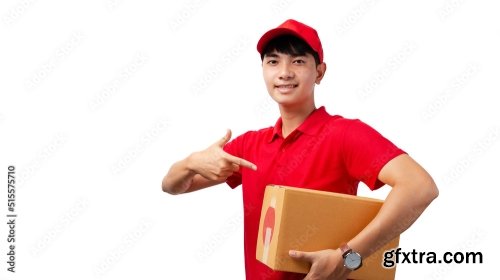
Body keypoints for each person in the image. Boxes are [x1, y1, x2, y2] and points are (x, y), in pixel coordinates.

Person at [162, 19, 438, 280]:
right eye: (273, 61)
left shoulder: (344, 134)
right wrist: (191, 163)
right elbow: (174, 187)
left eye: (298, 61)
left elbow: (419, 187)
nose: (284, 73)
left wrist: (348, 258)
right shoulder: (249, 145)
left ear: (319, 72)